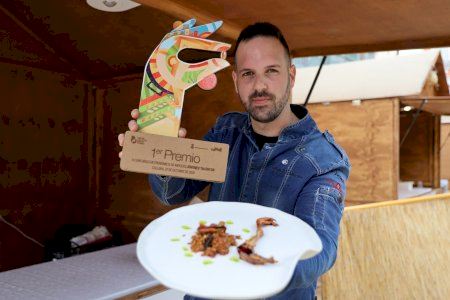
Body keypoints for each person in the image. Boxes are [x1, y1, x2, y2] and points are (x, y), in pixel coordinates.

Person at [119, 22, 350, 300]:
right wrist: (160, 150)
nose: (259, 86)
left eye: (271, 72)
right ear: (235, 81)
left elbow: (321, 250)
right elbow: (172, 192)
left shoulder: (323, 159)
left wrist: (254, 268)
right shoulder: (226, 132)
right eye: (248, 74)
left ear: (291, 75)